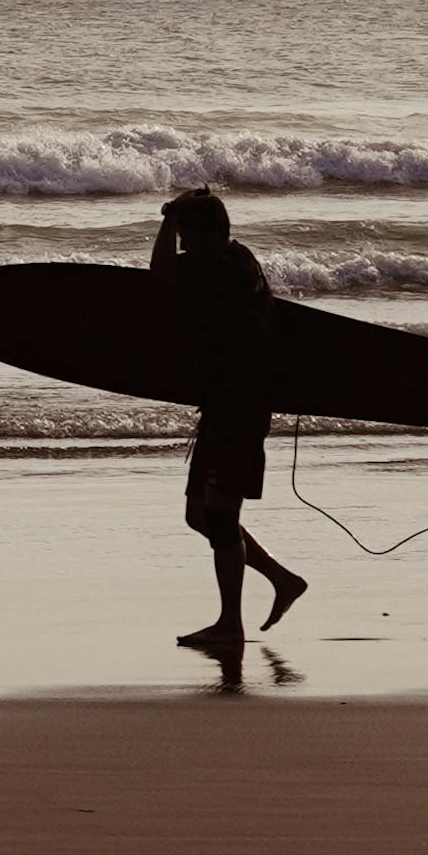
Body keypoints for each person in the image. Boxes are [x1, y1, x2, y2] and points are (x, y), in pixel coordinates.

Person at [152, 189, 305, 663]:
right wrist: (177, 220)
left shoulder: (219, 266)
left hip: (239, 408)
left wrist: (165, 222)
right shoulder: (236, 257)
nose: (183, 244)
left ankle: (230, 627)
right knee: (200, 514)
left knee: (217, 516)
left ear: (207, 233)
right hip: (226, 404)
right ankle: (282, 580)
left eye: (187, 235)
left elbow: (160, 277)